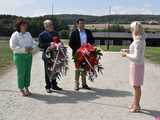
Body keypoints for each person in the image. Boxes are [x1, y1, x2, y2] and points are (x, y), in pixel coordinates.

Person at [121, 21, 146, 112]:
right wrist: (128, 50)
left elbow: (136, 57)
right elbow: (137, 53)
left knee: (136, 86)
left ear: (135, 30)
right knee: (136, 86)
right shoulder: (140, 40)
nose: (131, 31)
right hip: (137, 65)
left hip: (136, 65)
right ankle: (135, 103)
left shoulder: (138, 41)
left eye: (131, 29)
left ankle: (137, 106)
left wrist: (126, 55)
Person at [10, 18, 34, 96]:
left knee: (27, 72)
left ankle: (26, 88)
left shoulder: (28, 34)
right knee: (21, 73)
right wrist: (24, 49)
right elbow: (12, 46)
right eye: (23, 24)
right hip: (19, 56)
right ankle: (21, 88)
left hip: (29, 55)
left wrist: (32, 47)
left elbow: (33, 43)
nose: (25, 26)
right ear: (19, 26)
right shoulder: (15, 34)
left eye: (25, 24)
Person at [69, 18, 95, 91]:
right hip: (77, 54)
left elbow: (92, 40)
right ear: (77, 24)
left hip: (87, 53)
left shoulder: (88, 32)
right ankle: (76, 84)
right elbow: (70, 44)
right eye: (80, 23)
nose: (82, 25)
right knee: (77, 69)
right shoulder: (74, 33)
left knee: (84, 68)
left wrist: (90, 46)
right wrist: (77, 49)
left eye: (83, 23)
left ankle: (84, 84)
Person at [39, 19, 62, 93]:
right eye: (50, 25)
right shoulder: (42, 35)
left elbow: (59, 41)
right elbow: (40, 45)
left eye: (52, 24)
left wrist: (59, 44)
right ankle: (48, 86)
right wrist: (49, 44)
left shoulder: (56, 33)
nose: (52, 26)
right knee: (48, 71)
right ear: (45, 26)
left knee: (55, 70)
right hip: (47, 55)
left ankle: (54, 85)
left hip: (56, 55)